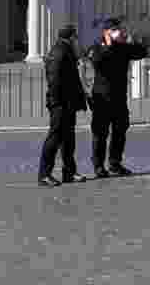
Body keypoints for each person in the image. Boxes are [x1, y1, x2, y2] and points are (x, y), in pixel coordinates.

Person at [86, 16, 148, 178]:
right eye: (115, 30)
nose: (120, 32)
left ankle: (115, 163)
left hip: (119, 98)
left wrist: (135, 39)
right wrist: (108, 45)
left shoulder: (123, 48)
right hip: (102, 99)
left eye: (120, 29)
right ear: (106, 32)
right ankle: (98, 166)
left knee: (120, 130)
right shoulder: (96, 48)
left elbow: (142, 52)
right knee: (100, 133)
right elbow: (97, 61)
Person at [38, 23, 89, 187]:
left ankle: (69, 172)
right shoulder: (59, 52)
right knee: (54, 137)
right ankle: (44, 174)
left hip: (67, 102)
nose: (77, 40)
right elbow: (54, 80)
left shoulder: (65, 50)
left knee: (68, 139)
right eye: (76, 37)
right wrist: (56, 102)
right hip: (60, 103)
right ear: (72, 37)